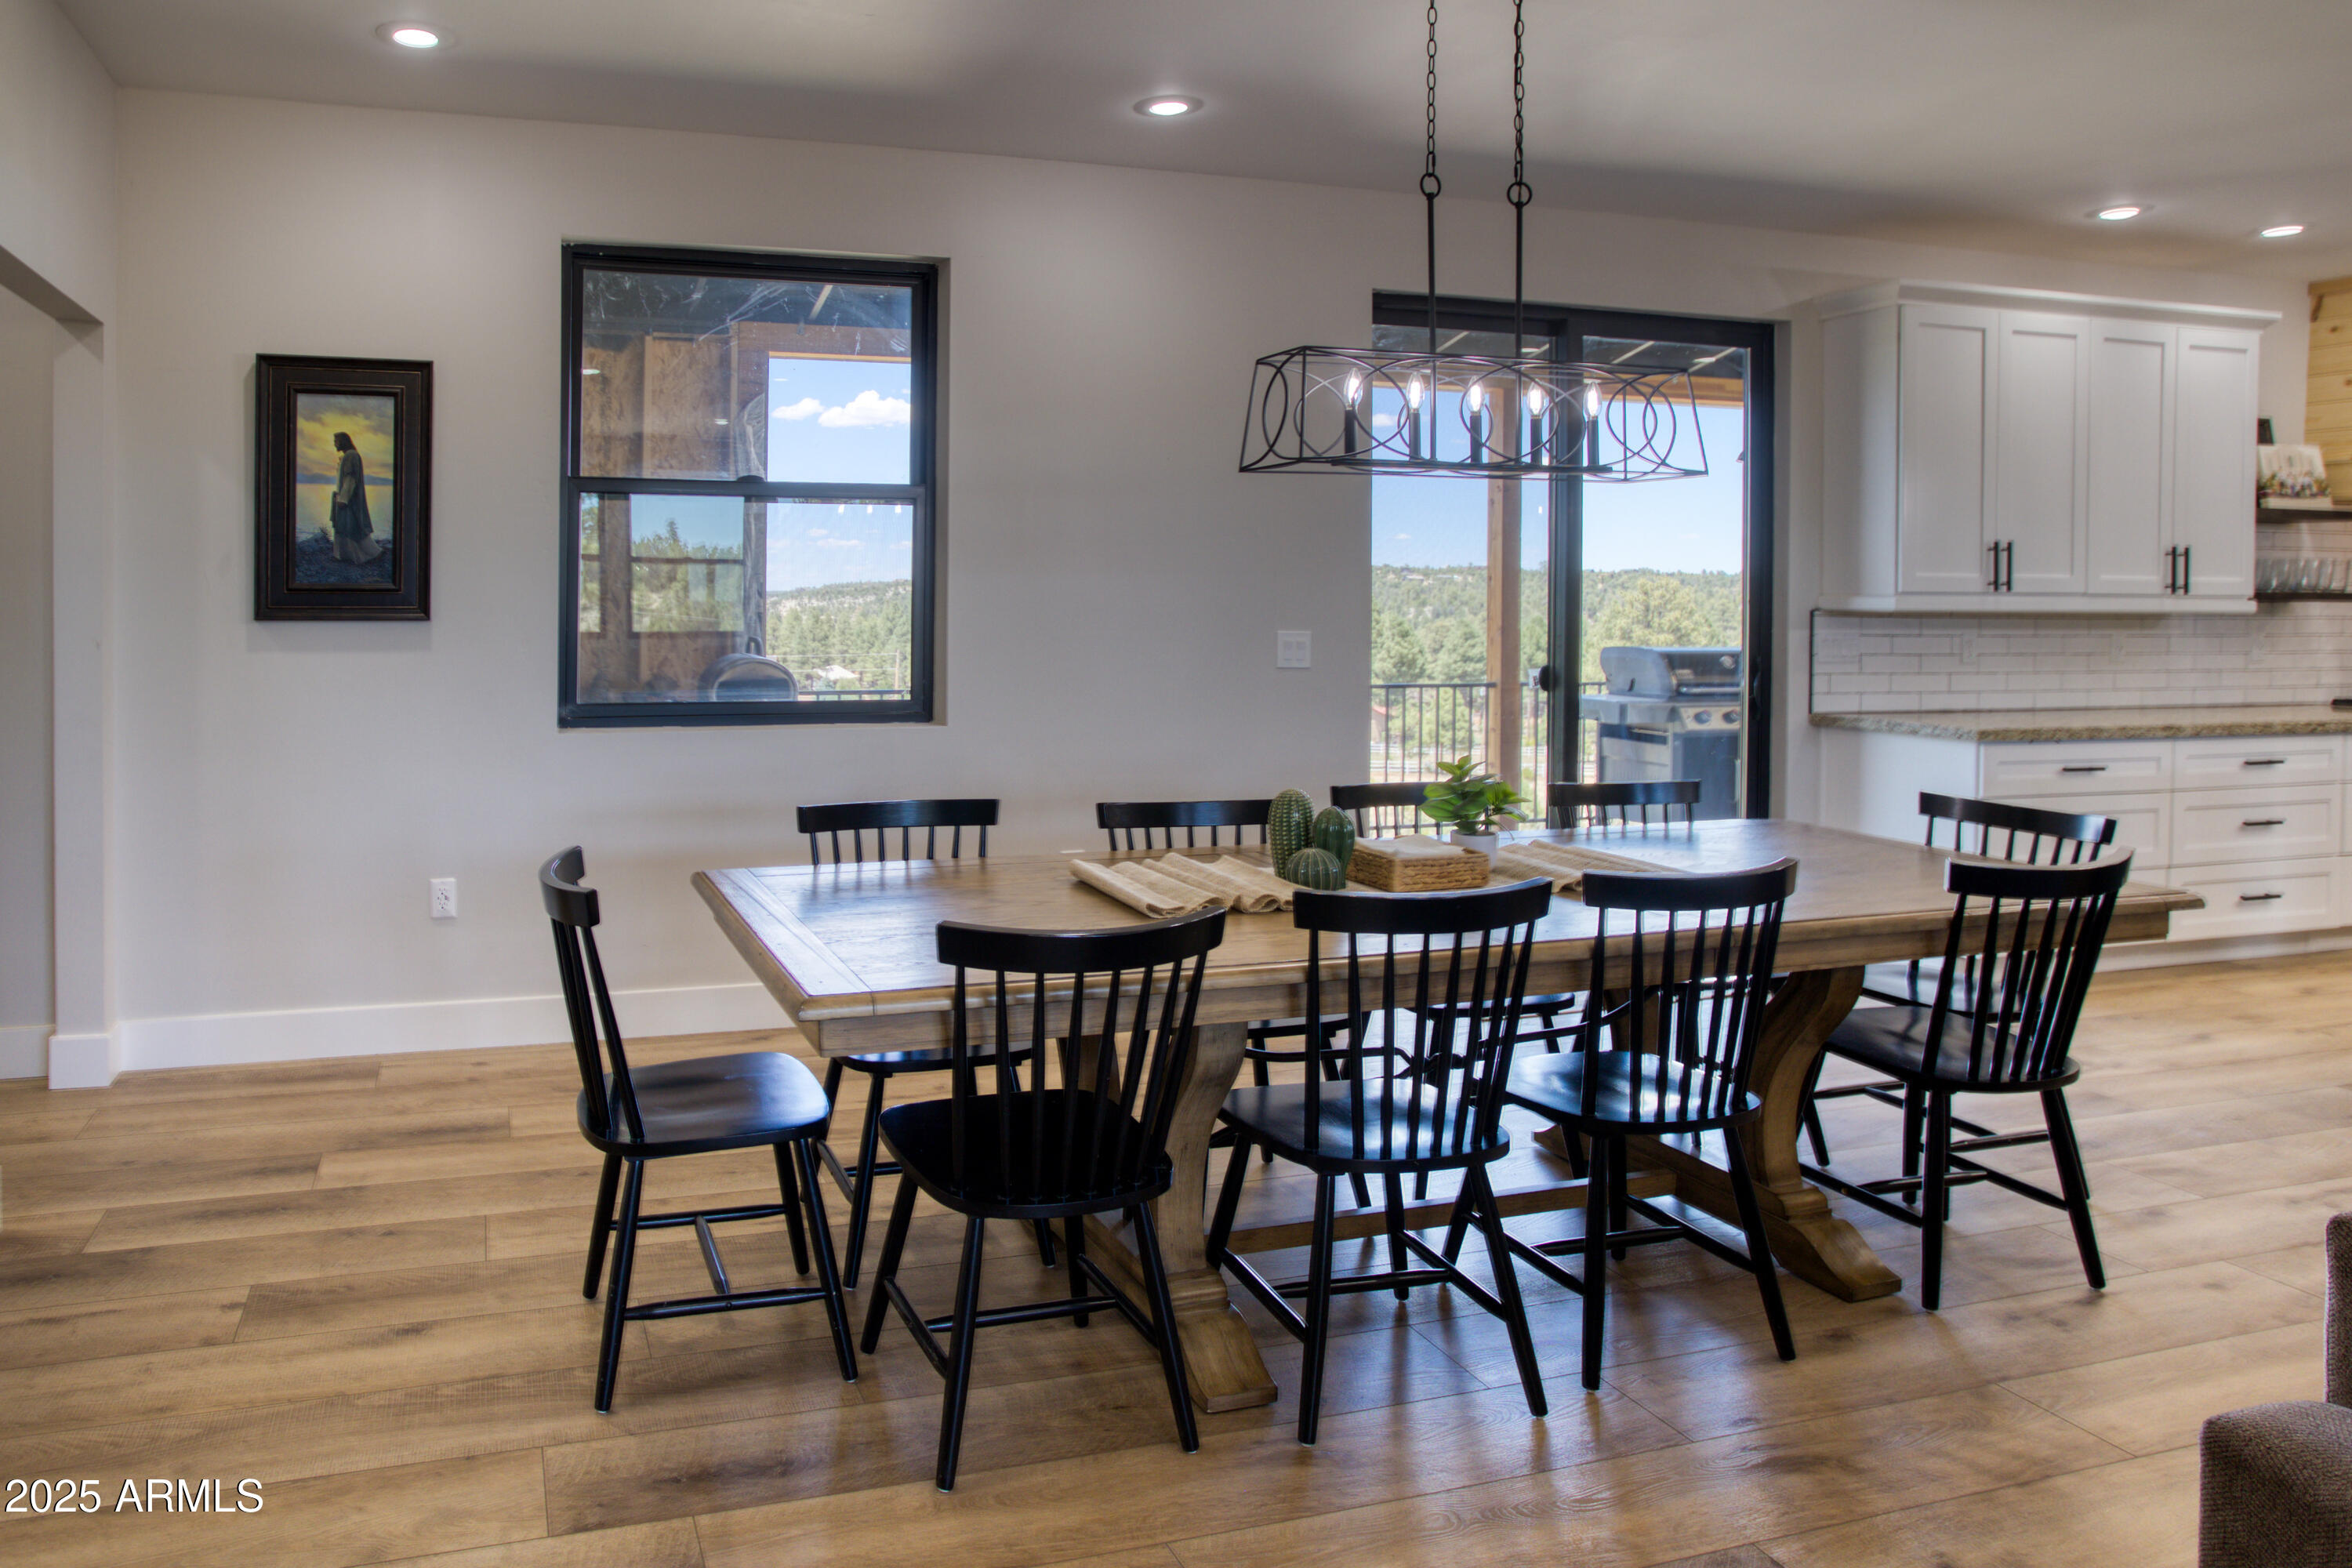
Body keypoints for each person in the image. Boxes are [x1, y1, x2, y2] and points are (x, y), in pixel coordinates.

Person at [329, 431, 385, 564]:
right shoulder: (348, 456)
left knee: (352, 528)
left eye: (336, 441)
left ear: (343, 441)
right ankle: (345, 556)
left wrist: (343, 499)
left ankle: (374, 553)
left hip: (348, 500)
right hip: (344, 498)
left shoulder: (351, 455)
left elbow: (350, 478)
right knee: (344, 527)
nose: (334, 444)